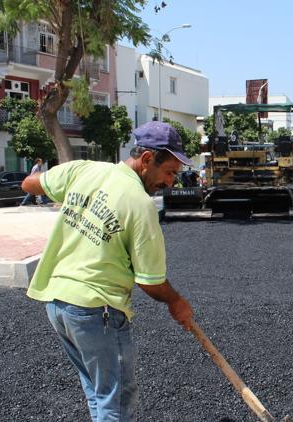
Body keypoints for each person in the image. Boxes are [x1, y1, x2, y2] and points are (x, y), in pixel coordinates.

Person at [21, 121, 194, 421]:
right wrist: (176, 302)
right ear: (147, 159)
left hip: (59, 304)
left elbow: (29, 184)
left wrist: (78, 200)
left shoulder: (85, 170)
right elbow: (151, 282)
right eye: (169, 173)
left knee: (99, 393)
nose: (170, 182)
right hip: (96, 311)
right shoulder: (140, 205)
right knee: (116, 402)